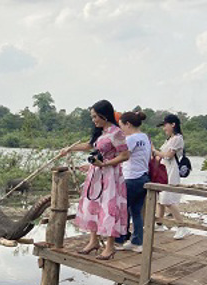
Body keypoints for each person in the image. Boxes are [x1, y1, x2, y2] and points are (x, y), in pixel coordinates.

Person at [60, 100, 130, 260]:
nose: (93, 120)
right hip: (96, 174)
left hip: (111, 175)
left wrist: (105, 164)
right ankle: (93, 241)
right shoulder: (101, 132)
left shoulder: (116, 132)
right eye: (92, 117)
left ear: (104, 115)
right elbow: (89, 146)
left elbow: (125, 155)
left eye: (95, 117)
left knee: (109, 207)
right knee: (93, 205)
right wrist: (69, 148)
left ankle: (110, 246)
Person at [115, 111, 151, 253]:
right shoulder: (145, 137)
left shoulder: (131, 139)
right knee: (135, 211)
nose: (121, 129)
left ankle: (118, 240)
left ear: (128, 124)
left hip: (131, 178)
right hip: (143, 177)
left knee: (121, 210)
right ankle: (137, 241)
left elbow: (122, 156)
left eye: (121, 126)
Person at [152, 114, 189, 239]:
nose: (164, 129)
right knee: (160, 200)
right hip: (164, 171)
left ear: (173, 124)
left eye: (165, 125)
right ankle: (159, 223)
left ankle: (182, 226)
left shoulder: (178, 138)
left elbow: (168, 155)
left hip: (172, 172)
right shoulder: (169, 139)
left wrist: (154, 151)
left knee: (168, 200)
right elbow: (161, 155)